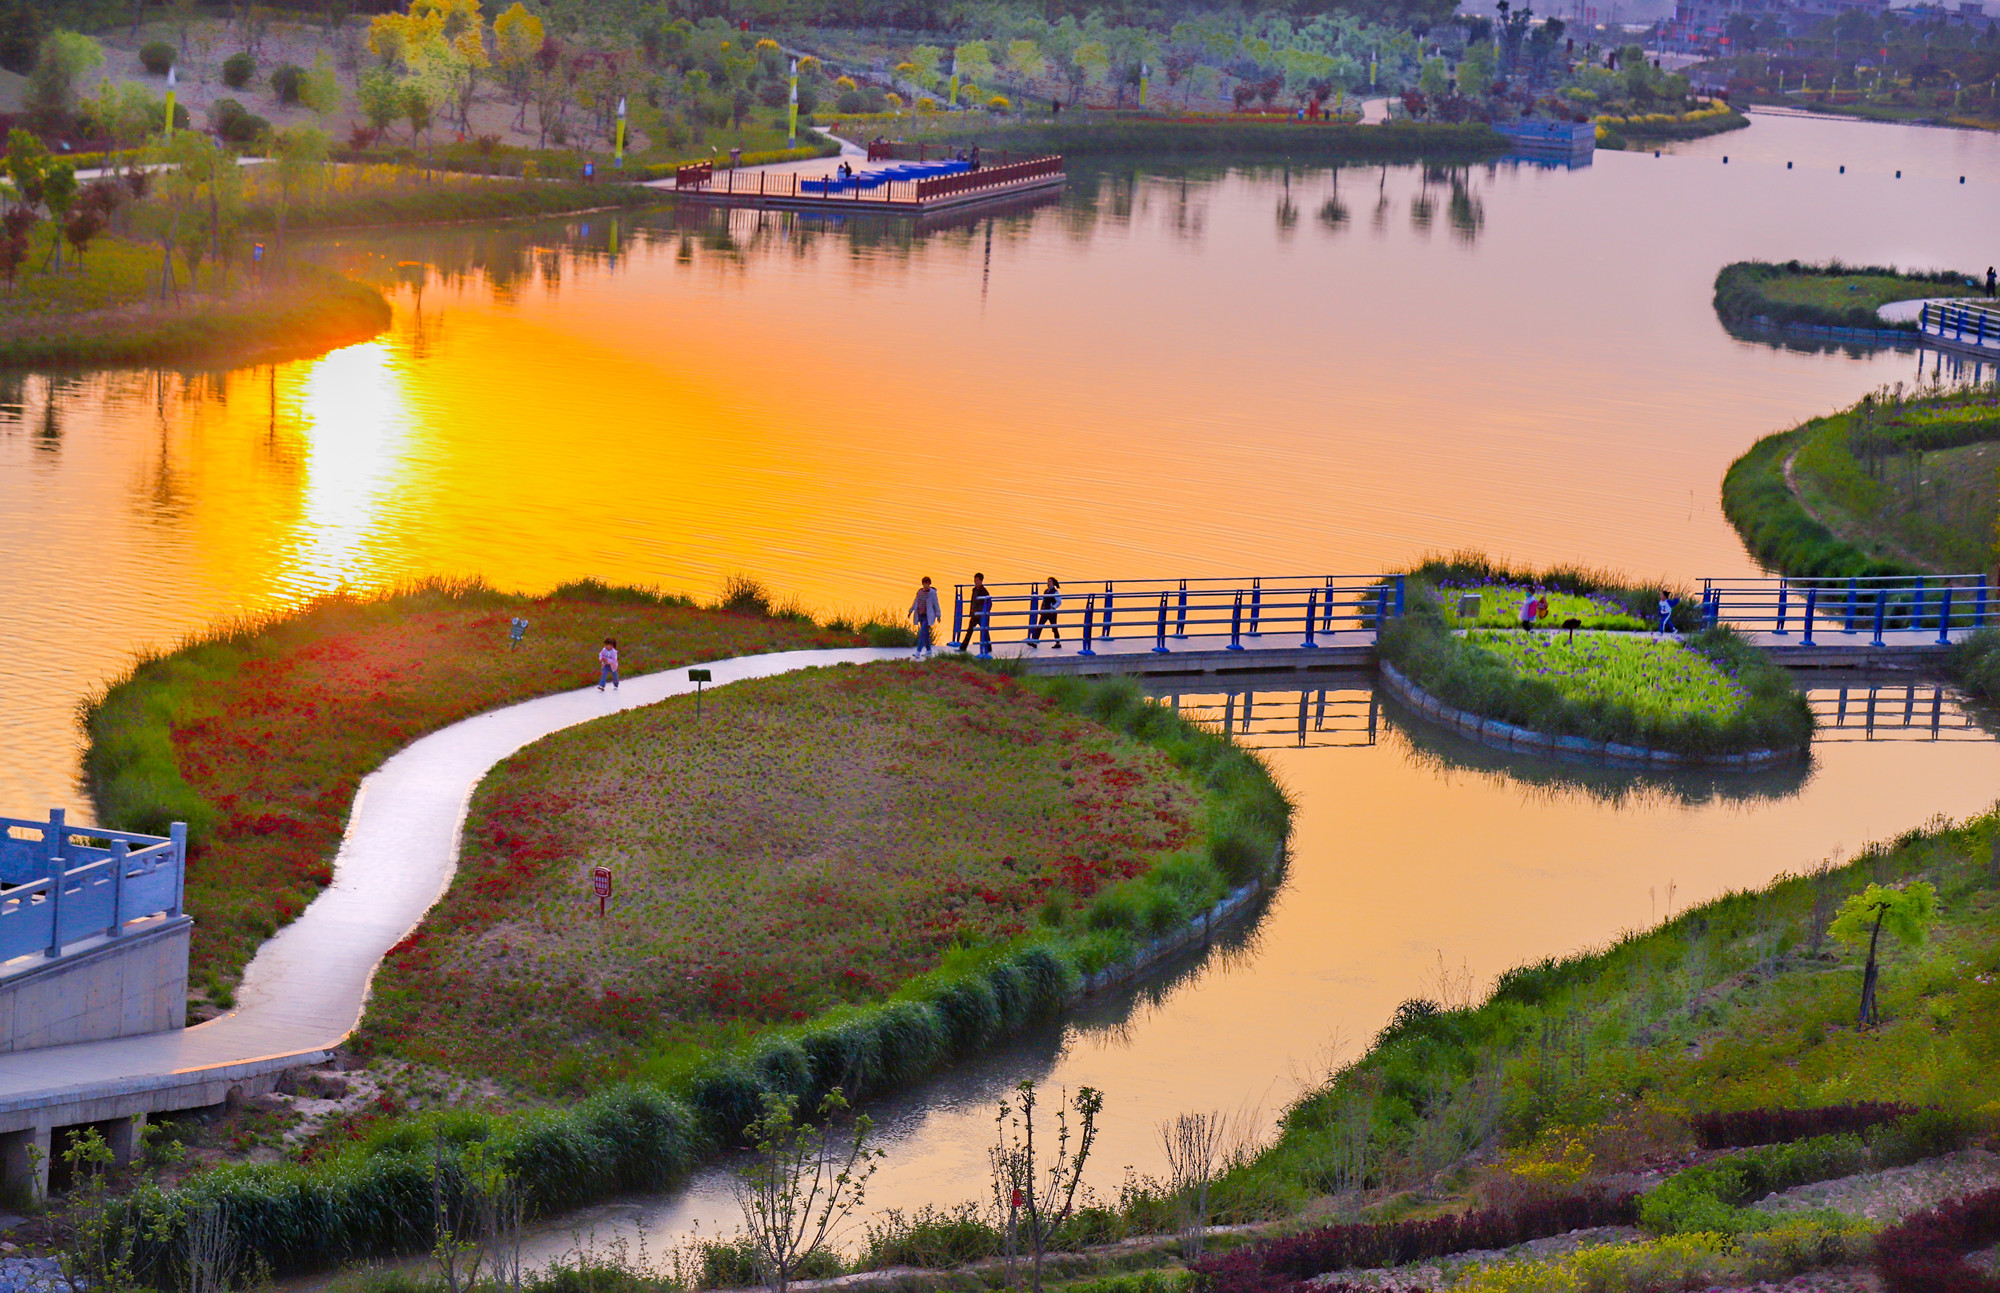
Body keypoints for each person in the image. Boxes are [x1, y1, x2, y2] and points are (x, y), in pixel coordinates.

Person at [909, 576, 942, 658]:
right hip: (920, 615)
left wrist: (938, 615)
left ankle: (918, 651)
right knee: (926, 633)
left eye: (927, 583)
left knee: (922, 633)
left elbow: (936, 604)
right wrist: (910, 611)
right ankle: (929, 650)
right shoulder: (920, 592)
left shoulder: (932, 593)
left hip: (928, 616)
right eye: (924, 583)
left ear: (929, 584)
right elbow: (915, 602)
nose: (926, 585)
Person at [958, 572, 991, 651]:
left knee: (985, 632)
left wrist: (984, 613)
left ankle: (989, 648)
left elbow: (989, 604)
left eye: (977, 580)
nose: (975, 582)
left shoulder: (984, 592)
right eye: (975, 580)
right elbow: (973, 602)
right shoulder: (974, 590)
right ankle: (963, 647)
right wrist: (971, 612)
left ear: (981, 581)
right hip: (974, 615)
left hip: (981, 615)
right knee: (969, 631)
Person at [1028, 577, 1063, 647]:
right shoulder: (1046, 591)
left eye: (1049, 582)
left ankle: (1058, 642)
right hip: (1045, 612)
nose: (1048, 583)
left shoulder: (1055, 592)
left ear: (1053, 583)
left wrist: (1053, 607)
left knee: (1054, 628)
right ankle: (1035, 641)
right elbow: (1044, 600)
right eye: (1048, 581)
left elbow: (1059, 602)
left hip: (1051, 613)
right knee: (1039, 626)